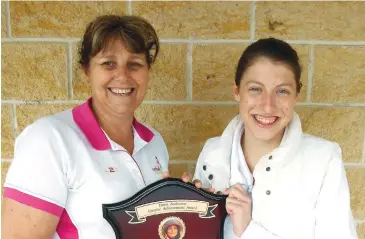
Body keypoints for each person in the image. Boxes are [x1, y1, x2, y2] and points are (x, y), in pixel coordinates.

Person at [2, 15, 171, 239]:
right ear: (87, 71)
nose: (122, 76)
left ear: (147, 72)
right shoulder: (49, 140)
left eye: (135, 64)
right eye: (108, 63)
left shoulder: (154, 143)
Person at [192, 38, 358, 239]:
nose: (268, 106)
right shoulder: (212, 152)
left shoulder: (323, 160)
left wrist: (249, 231)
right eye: (255, 89)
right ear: (237, 91)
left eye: (282, 91)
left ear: (296, 95)